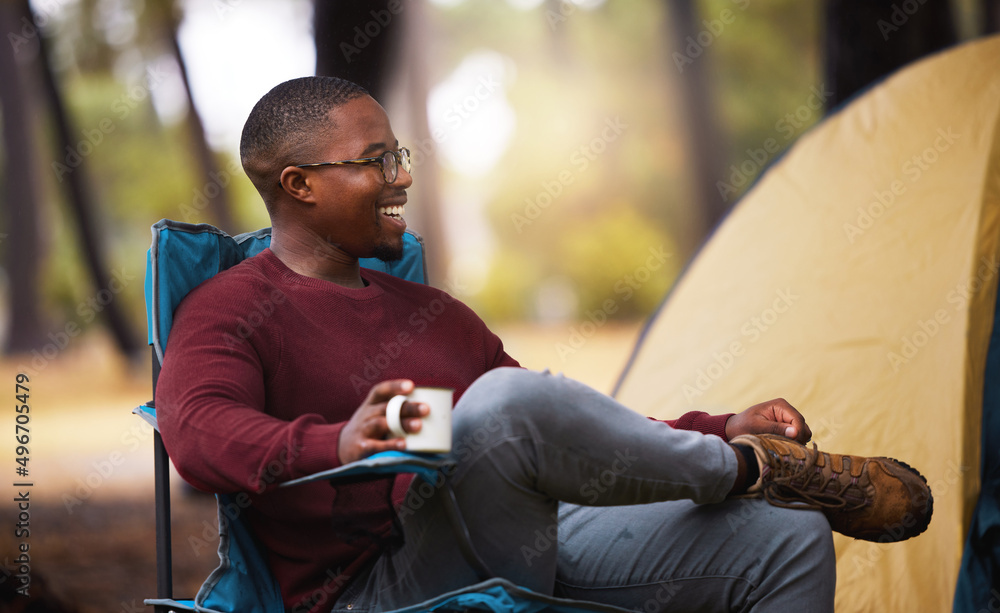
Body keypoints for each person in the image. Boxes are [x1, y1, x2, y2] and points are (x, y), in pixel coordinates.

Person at [156, 76, 932, 613]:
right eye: (376, 162)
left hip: (515, 535)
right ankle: (749, 472)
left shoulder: (429, 312)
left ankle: (744, 463)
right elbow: (195, 434)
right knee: (497, 403)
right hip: (370, 588)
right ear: (300, 185)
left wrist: (717, 423)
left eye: (401, 157)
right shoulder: (231, 309)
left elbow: (555, 434)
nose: (401, 179)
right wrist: (341, 440)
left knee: (789, 538)